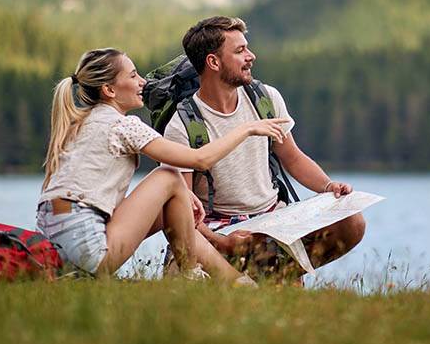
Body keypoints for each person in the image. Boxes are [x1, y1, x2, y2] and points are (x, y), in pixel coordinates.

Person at [37, 47, 289, 282]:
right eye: (133, 76)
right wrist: (247, 129)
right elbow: (200, 159)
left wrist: (181, 197)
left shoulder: (80, 123)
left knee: (172, 194)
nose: (142, 83)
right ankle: (210, 278)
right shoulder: (122, 125)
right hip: (90, 249)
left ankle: (219, 277)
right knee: (168, 175)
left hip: (58, 248)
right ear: (109, 90)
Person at [163, 17, 366, 280]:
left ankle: (270, 275)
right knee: (188, 279)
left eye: (247, 48)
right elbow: (180, 209)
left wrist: (328, 187)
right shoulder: (183, 125)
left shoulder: (265, 98)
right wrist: (221, 242)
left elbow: (292, 158)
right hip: (218, 229)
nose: (251, 56)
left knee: (352, 222)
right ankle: (264, 276)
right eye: (240, 51)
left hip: (272, 219)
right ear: (213, 62)